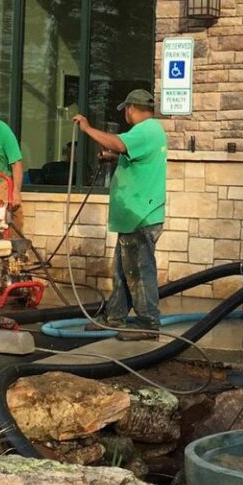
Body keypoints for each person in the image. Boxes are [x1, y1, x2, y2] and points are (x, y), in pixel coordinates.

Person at [74, 89, 167, 341]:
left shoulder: (145, 130)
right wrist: (112, 157)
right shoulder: (150, 132)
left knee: (139, 271)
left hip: (140, 214)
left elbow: (119, 142)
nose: (126, 113)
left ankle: (148, 323)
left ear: (131, 108)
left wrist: (88, 129)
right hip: (134, 214)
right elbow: (131, 154)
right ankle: (114, 316)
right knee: (124, 270)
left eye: (125, 109)